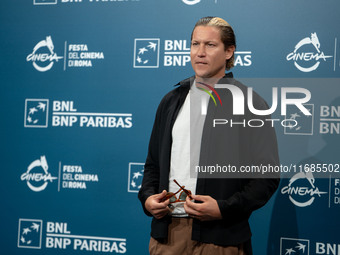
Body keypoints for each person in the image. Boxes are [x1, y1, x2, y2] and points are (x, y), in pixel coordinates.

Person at [138, 16, 280, 255]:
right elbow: (152, 165)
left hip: (220, 240)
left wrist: (224, 209)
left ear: (229, 51)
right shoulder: (171, 101)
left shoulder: (250, 103)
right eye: (195, 44)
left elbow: (266, 177)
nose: (200, 52)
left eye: (210, 45)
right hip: (167, 237)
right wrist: (148, 198)